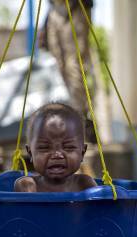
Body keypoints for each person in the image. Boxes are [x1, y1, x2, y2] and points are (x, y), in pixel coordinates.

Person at [40, 0, 97, 142]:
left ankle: (81, 120)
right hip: (55, 9)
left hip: (75, 7)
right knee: (57, 65)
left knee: (74, 65)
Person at [14, 103, 97, 193]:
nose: (57, 154)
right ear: (30, 154)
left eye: (68, 147)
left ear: (82, 153)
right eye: (44, 147)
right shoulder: (28, 185)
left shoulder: (84, 183)